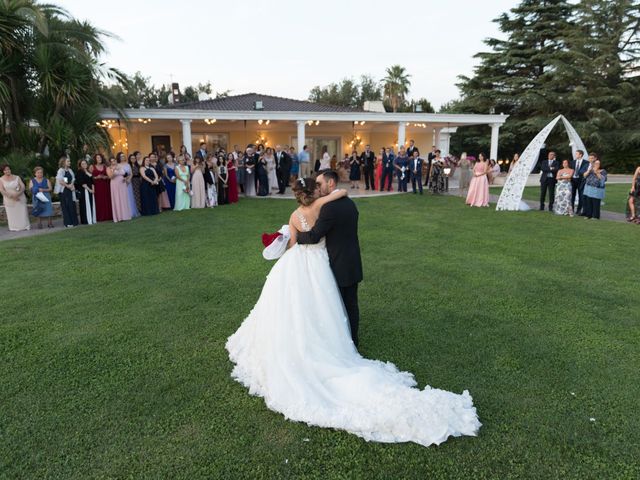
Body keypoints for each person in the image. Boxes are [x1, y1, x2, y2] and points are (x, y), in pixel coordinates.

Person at [226, 171, 480, 448]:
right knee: (324, 306)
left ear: (298, 195)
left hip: (298, 264)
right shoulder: (323, 205)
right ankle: (334, 341)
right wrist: (331, 196)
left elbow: (295, 242)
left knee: (299, 305)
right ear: (315, 192)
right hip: (321, 265)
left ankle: (303, 339)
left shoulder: (294, 215)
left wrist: (281, 238)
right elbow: (340, 194)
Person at [0, 163, 30, 231]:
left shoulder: (17, 177)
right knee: (12, 215)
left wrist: (18, 194)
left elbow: (23, 186)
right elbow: (1, 190)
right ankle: (14, 227)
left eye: (8, 169)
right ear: (3, 171)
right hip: (9, 200)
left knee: (22, 213)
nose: (7, 171)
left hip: (20, 198)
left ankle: (25, 226)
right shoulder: (1, 179)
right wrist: (12, 196)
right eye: (5, 170)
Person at [55, 156, 79, 227]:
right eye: (68, 161)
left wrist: (72, 185)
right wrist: (68, 186)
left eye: (69, 161)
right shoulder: (61, 170)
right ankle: (68, 222)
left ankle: (74, 222)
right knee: (66, 206)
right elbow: (60, 181)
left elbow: (73, 178)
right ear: (63, 162)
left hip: (70, 190)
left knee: (72, 205)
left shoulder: (70, 170)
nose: (69, 162)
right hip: (64, 191)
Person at [107, 156, 132, 222]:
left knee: (123, 199)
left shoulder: (120, 166)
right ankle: (119, 217)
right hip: (114, 184)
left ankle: (125, 216)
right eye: (111, 161)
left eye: (114, 160)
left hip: (122, 184)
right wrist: (114, 170)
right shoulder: (109, 168)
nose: (113, 162)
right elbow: (110, 177)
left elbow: (126, 174)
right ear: (110, 162)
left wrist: (125, 178)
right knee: (117, 199)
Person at [90, 153, 112, 222]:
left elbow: (110, 176)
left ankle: (109, 215)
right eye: (98, 158)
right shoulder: (92, 167)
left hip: (106, 185)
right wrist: (97, 177)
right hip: (97, 186)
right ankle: (100, 217)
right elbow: (89, 177)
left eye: (100, 158)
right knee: (99, 201)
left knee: (107, 199)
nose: (99, 159)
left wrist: (106, 177)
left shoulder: (105, 166)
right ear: (95, 159)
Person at [75, 159, 96, 225]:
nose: (84, 165)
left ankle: (92, 219)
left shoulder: (88, 172)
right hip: (84, 191)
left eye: (85, 163)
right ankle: (86, 220)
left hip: (90, 190)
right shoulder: (79, 172)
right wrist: (89, 190)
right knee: (85, 205)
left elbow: (92, 181)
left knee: (91, 204)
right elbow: (82, 183)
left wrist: (93, 189)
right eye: (82, 164)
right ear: (80, 165)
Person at [571, 149, 589, 216]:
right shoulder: (573, 162)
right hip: (573, 180)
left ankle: (579, 210)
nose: (576, 155)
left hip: (581, 181)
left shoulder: (586, 163)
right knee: (572, 195)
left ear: (580, 155)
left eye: (577, 154)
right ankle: (571, 209)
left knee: (581, 196)